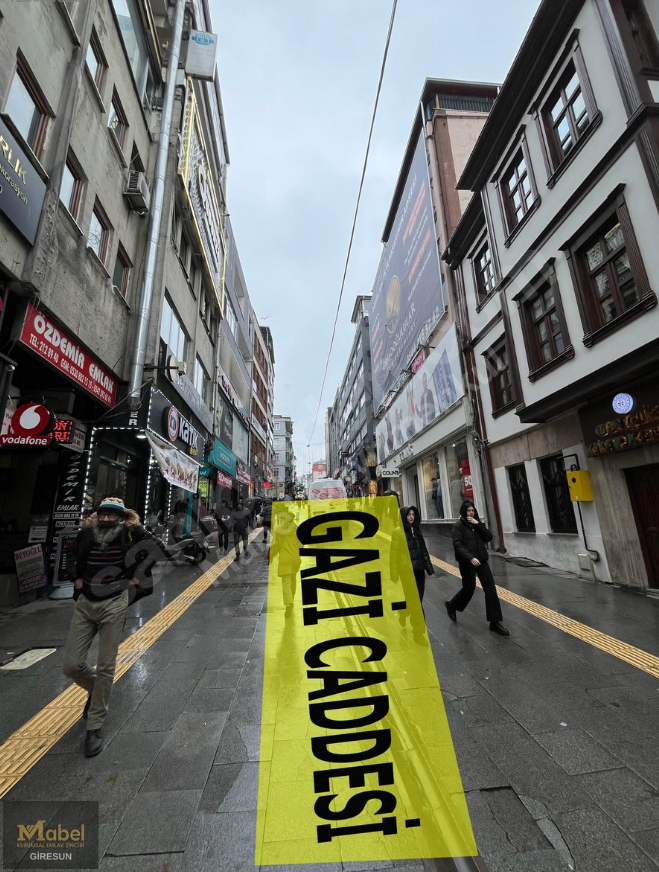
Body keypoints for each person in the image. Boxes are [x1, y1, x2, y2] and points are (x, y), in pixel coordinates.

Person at [63, 496, 165, 757]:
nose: (106, 519)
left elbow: (157, 549)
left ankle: (95, 726)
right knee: (72, 665)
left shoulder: (128, 533)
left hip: (114, 603)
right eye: (103, 515)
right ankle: (96, 691)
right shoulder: (87, 533)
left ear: (121, 517)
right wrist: (75, 577)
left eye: (112, 515)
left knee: (107, 666)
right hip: (86, 601)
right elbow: (71, 554)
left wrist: (137, 572)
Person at [446, 500, 509, 636]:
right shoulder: (458, 526)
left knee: (490, 589)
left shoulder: (476, 524)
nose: (471, 513)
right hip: (467, 562)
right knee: (469, 588)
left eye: (472, 510)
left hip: (482, 560)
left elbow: (489, 537)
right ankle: (452, 604)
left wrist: (478, 524)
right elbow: (458, 545)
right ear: (463, 512)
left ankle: (495, 622)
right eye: (468, 511)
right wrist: (470, 557)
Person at [391, 505, 434, 642]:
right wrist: (394, 574)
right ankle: (418, 633)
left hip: (419, 571)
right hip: (407, 572)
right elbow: (394, 554)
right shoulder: (398, 532)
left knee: (417, 600)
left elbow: (423, 550)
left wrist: (429, 568)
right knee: (416, 603)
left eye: (413, 514)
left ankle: (403, 612)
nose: (411, 517)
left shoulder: (417, 530)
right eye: (408, 514)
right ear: (403, 516)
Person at [269, 509, 300, 616]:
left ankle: (289, 604)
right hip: (295, 559)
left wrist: (271, 556)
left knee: (286, 583)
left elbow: (274, 546)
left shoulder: (278, 531)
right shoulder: (296, 530)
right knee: (293, 579)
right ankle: (292, 598)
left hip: (285, 560)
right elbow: (301, 545)